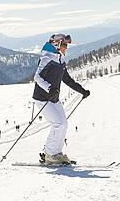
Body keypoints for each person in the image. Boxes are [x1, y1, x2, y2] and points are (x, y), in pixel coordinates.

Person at [32, 33, 90, 165]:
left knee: (63, 124)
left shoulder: (59, 60)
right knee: (58, 124)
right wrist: (49, 88)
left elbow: (67, 80)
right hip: (42, 98)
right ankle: (49, 154)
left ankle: (55, 153)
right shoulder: (46, 58)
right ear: (57, 44)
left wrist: (82, 91)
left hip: (53, 98)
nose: (66, 48)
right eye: (64, 45)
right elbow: (37, 77)